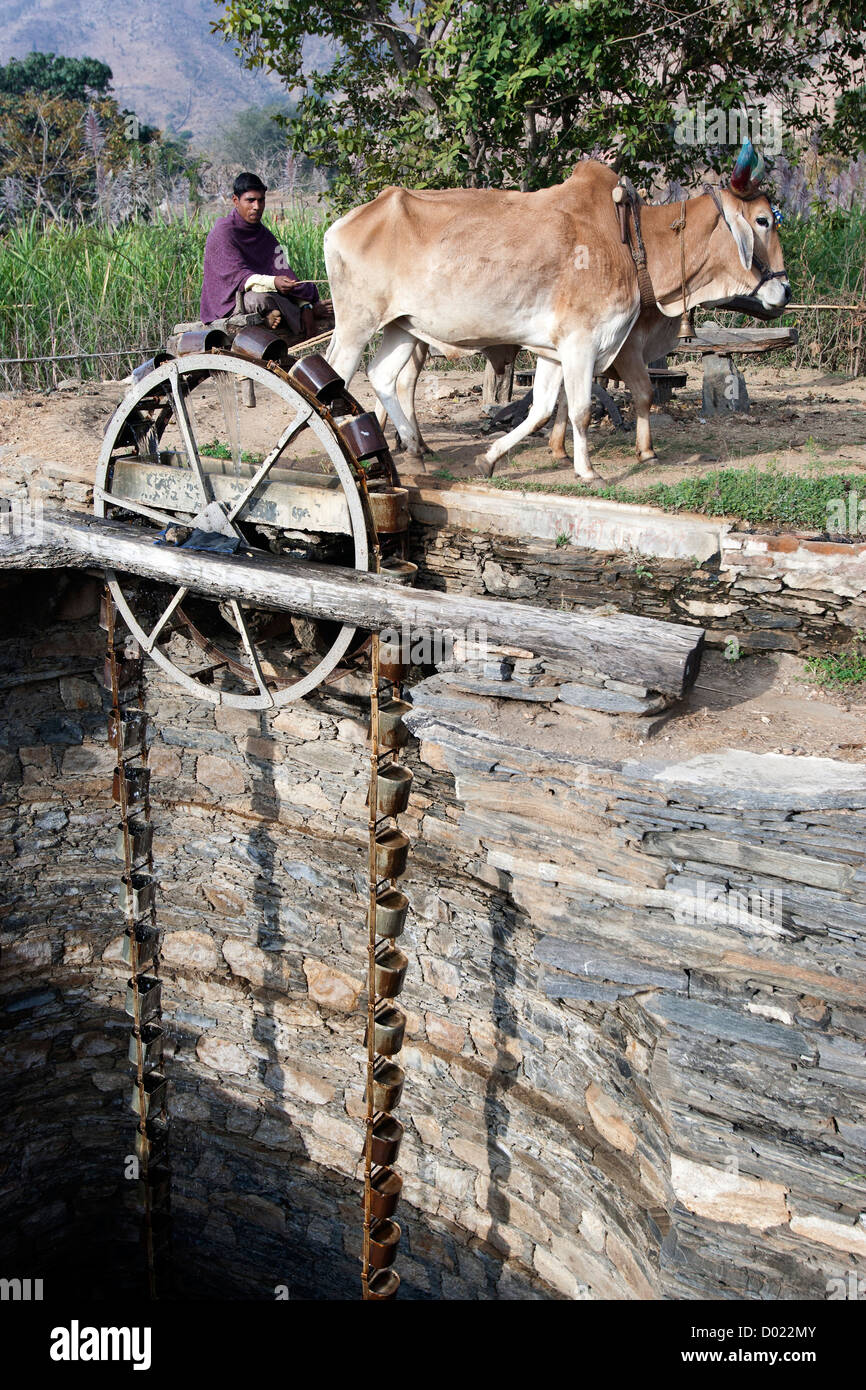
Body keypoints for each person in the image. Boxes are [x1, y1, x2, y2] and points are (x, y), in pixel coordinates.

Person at [199, 172, 330, 339]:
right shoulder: (223, 231)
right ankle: (291, 316)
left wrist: (305, 304)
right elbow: (239, 277)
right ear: (235, 201)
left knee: (296, 292)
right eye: (250, 200)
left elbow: (284, 271)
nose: (257, 206)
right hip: (231, 302)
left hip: (267, 293)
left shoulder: (264, 235)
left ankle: (287, 313)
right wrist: (274, 282)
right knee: (260, 300)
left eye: (261, 200)